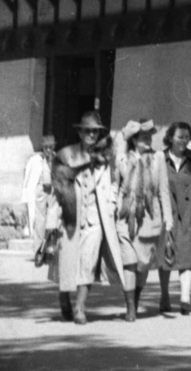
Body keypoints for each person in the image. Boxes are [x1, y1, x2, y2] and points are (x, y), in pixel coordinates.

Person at [49, 112, 130, 324]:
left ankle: (80, 308)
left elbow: (115, 181)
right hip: (70, 215)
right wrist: (52, 220)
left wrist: (112, 202)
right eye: (87, 130)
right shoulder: (66, 155)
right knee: (66, 262)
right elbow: (55, 191)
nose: (91, 135)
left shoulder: (105, 156)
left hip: (96, 217)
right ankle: (64, 299)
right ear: (80, 131)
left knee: (88, 261)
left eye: (95, 131)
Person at [114, 118, 172, 321]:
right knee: (129, 262)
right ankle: (130, 307)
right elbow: (116, 187)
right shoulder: (122, 159)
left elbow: (164, 190)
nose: (148, 139)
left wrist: (169, 218)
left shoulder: (158, 158)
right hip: (125, 218)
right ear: (134, 140)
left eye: (149, 136)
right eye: (143, 136)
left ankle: (135, 299)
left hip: (149, 218)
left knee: (142, 265)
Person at [157, 121, 191, 315]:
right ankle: (164, 294)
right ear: (170, 137)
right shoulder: (160, 158)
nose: (184, 140)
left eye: (187, 137)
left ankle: (185, 297)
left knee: (188, 255)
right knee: (166, 255)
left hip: (189, 213)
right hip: (167, 213)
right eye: (180, 136)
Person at [22, 135, 56, 239]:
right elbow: (28, 179)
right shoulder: (35, 160)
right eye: (46, 147)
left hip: (51, 191)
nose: (48, 150)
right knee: (37, 215)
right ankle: (36, 237)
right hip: (39, 191)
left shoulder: (55, 158)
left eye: (51, 147)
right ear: (43, 148)